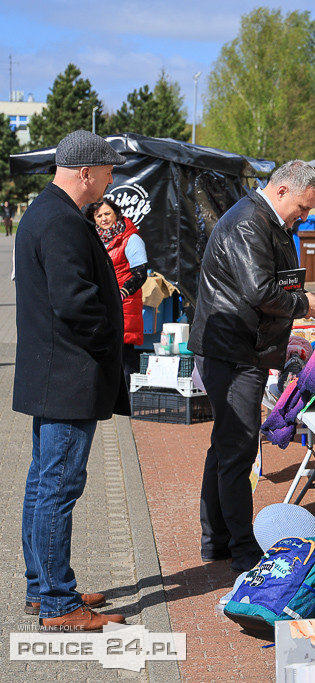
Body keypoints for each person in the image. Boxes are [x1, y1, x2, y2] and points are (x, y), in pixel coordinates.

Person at [188, 160, 315, 571]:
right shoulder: (251, 222)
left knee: (226, 445)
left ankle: (217, 539)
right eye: (303, 208)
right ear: (283, 190)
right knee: (237, 447)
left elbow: (276, 282)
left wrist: (301, 300)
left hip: (240, 346)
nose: (304, 217)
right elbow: (260, 290)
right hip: (233, 351)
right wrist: (303, 304)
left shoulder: (268, 221)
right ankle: (241, 547)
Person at [15, 129, 130, 631]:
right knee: (57, 487)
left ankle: (45, 586)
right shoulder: (60, 220)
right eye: (107, 171)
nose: (111, 179)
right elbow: (75, 303)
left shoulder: (49, 212)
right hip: (68, 374)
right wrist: (111, 344)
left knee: (45, 485)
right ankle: (58, 602)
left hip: (55, 373)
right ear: (85, 172)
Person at [85, 198, 148, 385]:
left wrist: (120, 294)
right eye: (99, 215)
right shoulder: (97, 238)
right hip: (104, 304)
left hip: (124, 306)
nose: (103, 219)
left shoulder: (131, 238)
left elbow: (140, 274)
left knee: (125, 355)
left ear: (117, 214)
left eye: (107, 214)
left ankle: (132, 401)